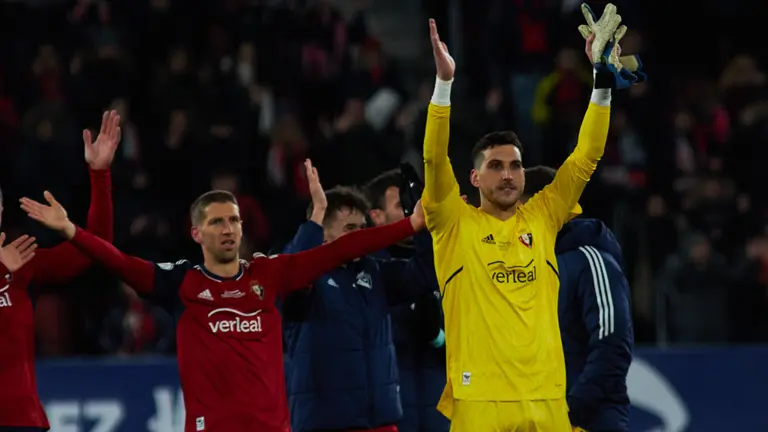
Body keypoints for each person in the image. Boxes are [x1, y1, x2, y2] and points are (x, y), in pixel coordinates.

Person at [19, 159, 427, 432]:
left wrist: (410, 224)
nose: (228, 228)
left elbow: (341, 248)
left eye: (234, 220)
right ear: (196, 233)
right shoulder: (182, 284)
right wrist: (73, 231)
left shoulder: (268, 274)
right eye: (216, 222)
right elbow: (120, 261)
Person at [422, 17, 613, 431]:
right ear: (474, 178)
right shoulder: (453, 223)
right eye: (495, 166)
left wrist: (602, 82)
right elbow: (435, 161)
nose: (507, 174)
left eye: (515, 166)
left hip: (546, 403)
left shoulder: (543, 216)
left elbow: (586, 157)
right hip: (481, 404)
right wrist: (444, 85)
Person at [281, 162, 436, 432]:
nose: (360, 237)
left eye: (362, 228)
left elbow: (424, 274)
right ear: (322, 234)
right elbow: (294, 274)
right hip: (326, 424)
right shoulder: (302, 277)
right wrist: (316, 215)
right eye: (350, 228)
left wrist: (419, 223)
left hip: (380, 421)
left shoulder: (372, 272)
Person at [0, 110, 120, 432]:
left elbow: (95, 250)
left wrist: (99, 175)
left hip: (21, 422)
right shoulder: (7, 264)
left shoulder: (21, 261)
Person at [522, 166, 633, 432]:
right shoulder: (525, 269)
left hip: (586, 422)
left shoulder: (591, 261)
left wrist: (571, 411)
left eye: (519, 208)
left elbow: (612, 344)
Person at [364, 168, 449, 432]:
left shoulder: (444, 260)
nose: (413, 212)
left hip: (441, 403)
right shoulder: (367, 271)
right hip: (391, 407)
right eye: (402, 205)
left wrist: (439, 336)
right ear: (376, 216)